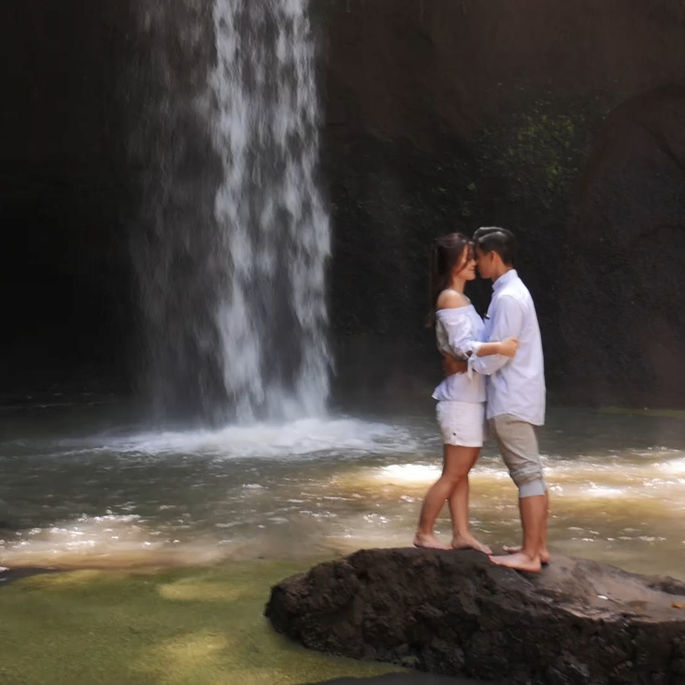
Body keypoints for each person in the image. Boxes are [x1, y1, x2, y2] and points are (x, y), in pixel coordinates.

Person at [414, 233, 518, 552]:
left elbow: (461, 350)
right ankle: (424, 532)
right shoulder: (450, 298)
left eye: (474, 257)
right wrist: (499, 347)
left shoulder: (462, 300)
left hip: (470, 398)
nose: (474, 262)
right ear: (453, 263)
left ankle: (461, 533)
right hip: (459, 399)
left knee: (462, 473)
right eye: (467, 257)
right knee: (453, 473)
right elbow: (461, 347)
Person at [467, 226, 549, 572]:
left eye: (478, 257)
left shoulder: (507, 298)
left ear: (493, 256)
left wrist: (467, 361)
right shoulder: (514, 292)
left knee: (527, 475)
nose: (475, 264)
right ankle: (537, 547)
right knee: (533, 473)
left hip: (511, 397)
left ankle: (529, 555)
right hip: (521, 394)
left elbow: (499, 355)